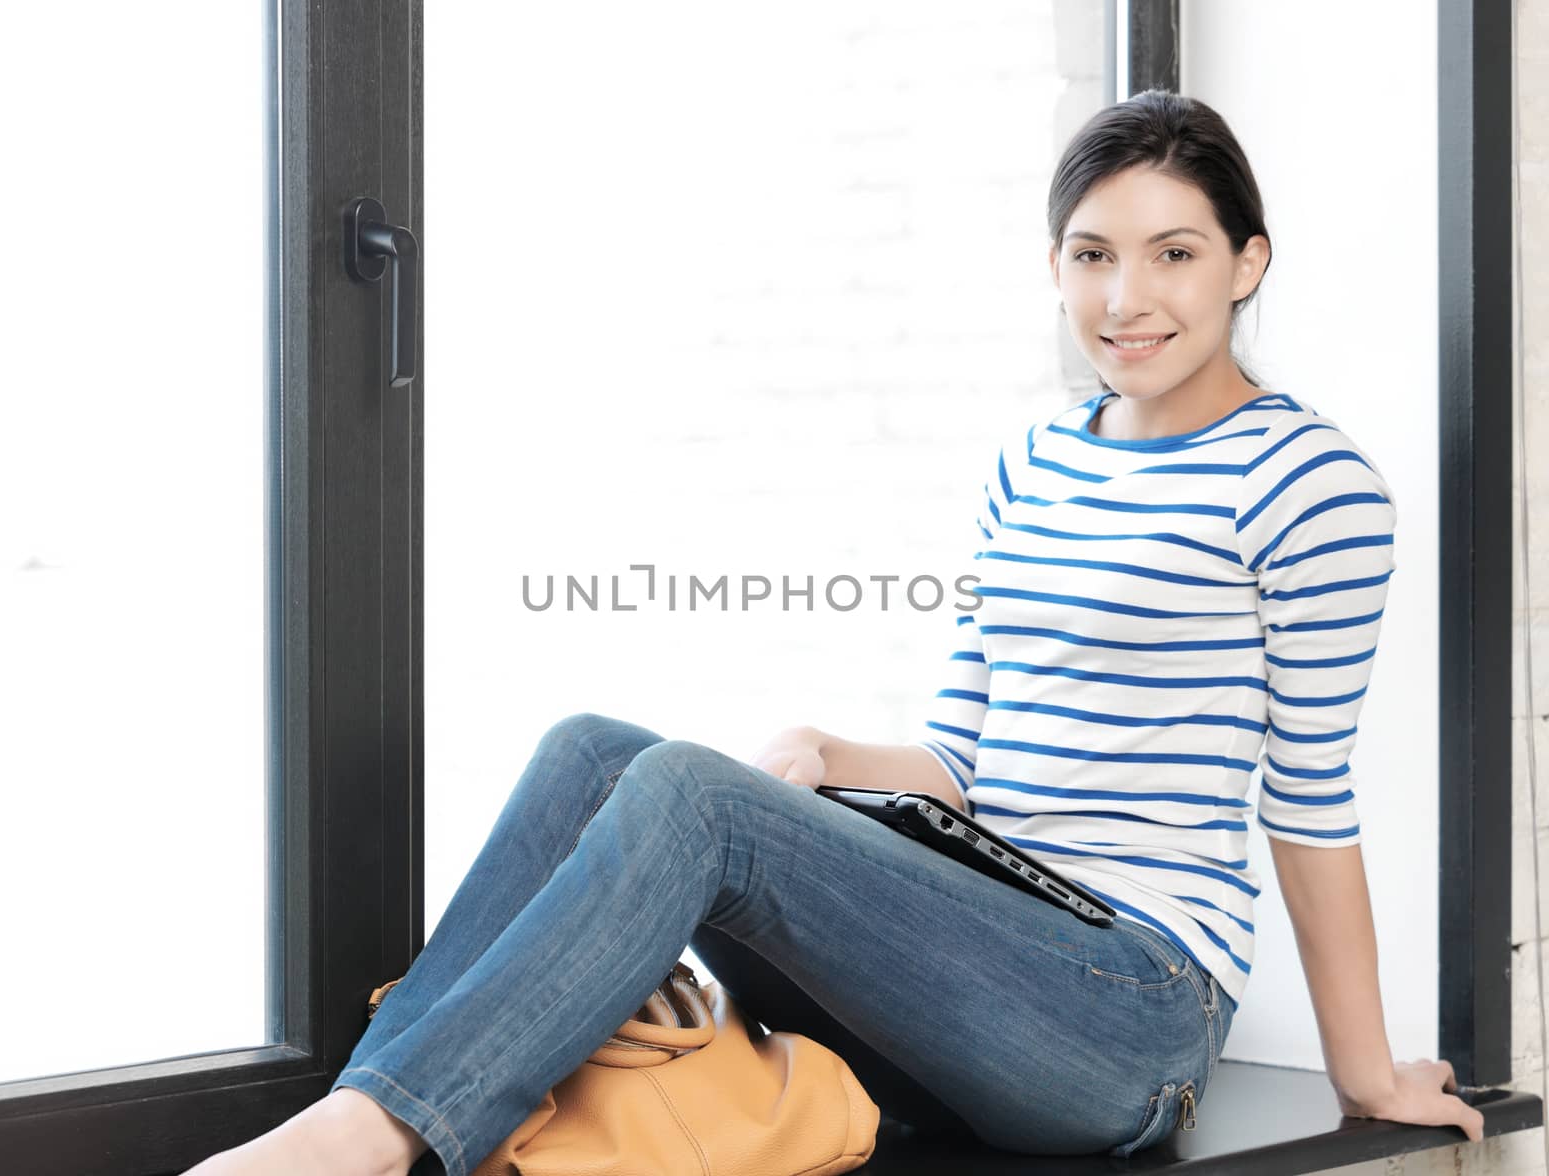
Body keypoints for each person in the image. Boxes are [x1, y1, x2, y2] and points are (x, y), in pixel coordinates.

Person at [185, 89, 1484, 1176]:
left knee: (693, 795)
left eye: (1175, 252)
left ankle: (374, 1139)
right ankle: (361, 1110)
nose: (1126, 297)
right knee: (594, 751)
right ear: (1055, 267)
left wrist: (1366, 1075)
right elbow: (971, 761)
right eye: (1092, 253)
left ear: (1249, 263)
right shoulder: (1035, 462)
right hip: (967, 954)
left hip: (1125, 1019)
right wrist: (832, 753)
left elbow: (1311, 796)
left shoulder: (1309, 483)